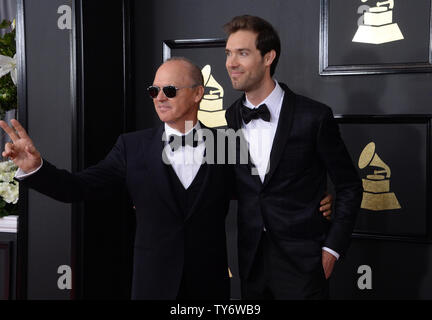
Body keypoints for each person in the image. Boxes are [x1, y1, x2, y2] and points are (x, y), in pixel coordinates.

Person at [0, 57, 333, 300]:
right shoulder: (132, 147)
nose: (159, 97)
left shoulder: (226, 143)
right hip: (152, 285)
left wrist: (316, 200)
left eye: (170, 90)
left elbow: (264, 191)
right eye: (154, 90)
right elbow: (78, 187)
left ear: (198, 94)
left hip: (210, 285)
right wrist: (35, 167)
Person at [223, 15, 362, 299]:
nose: (231, 63)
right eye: (228, 53)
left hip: (304, 264)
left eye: (243, 53)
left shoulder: (314, 116)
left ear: (268, 57)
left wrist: (331, 249)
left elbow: (349, 185)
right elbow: (242, 185)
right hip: (251, 263)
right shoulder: (231, 116)